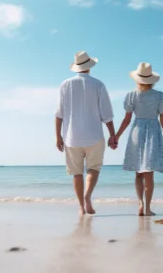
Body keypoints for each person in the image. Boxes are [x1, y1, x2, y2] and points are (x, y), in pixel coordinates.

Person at [55, 51, 118, 215]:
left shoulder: (65, 84)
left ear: (76, 67)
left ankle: (81, 207)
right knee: (94, 169)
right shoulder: (98, 84)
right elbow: (107, 114)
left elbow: (59, 114)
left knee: (76, 173)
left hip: (71, 137)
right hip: (94, 136)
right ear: (90, 66)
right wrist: (113, 135)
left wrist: (58, 137)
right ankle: (88, 197)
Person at [115, 62, 163, 216]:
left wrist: (116, 136)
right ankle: (147, 208)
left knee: (138, 172)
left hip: (137, 131)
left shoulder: (131, 95)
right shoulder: (159, 96)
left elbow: (126, 120)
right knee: (149, 173)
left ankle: (140, 204)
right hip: (153, 131)